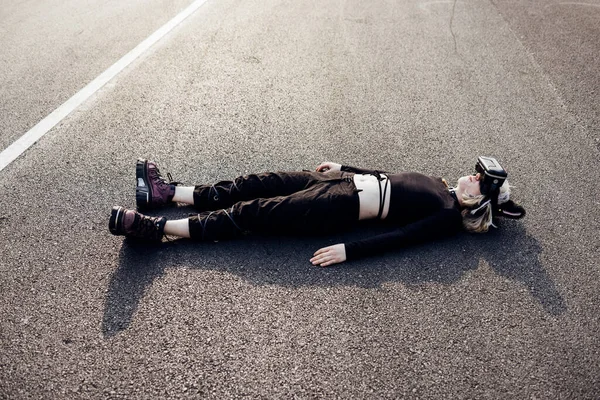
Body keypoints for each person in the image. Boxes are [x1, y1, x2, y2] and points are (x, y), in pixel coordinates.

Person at [109, 157, 525, 267]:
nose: (470, 178)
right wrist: (345, 167)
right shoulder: (440, 186)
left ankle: (158, 228)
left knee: (254, 212)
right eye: (474, 173)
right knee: (257, 182)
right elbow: (386, 175)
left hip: (339, 207)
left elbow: (402, 239)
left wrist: (350, 249)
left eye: (478, 181)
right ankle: (165, 193)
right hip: (337, 184)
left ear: (483, 201)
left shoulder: (448, 216)